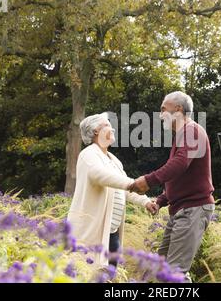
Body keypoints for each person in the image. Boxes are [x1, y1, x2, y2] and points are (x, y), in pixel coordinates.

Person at [129, 91, 215, 282]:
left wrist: (148, 180)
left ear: (178, 109)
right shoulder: (183, 135)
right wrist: (161, 200)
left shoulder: (192, 131)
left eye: (163, 109)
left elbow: (179, 164)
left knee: (173, 274)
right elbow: (181, 176)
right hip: (182, 210)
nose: (160, 115)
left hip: (193, 209)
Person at [67, 112, 158, 268]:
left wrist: (146, 202)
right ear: (96, 131)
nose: (113, 129)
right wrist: (132, 183)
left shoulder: (114, 160)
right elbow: (100, 175)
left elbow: (121, 189)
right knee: (90, 273)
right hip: (92, 231)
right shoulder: (88, 155)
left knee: (111, 275)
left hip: (112, 232)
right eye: (108, 125)